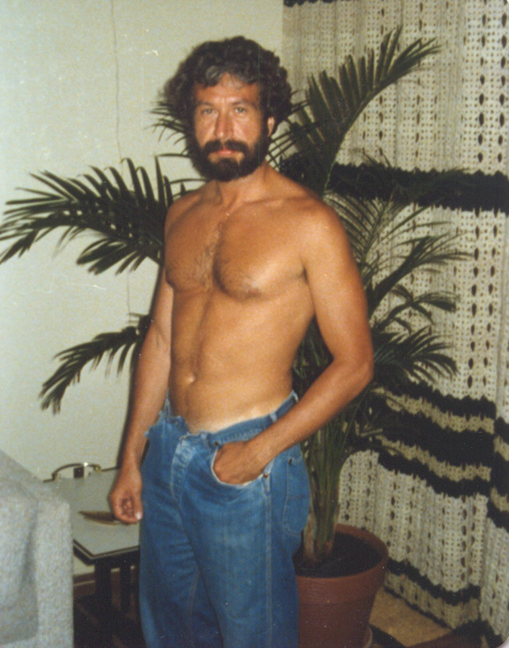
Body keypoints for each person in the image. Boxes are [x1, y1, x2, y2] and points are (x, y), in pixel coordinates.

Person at [110, 36, 373, 648]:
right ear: (191, 119)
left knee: (254, 636)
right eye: (208, 110)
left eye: (240, 110)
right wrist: (132, 458)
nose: (223, 129)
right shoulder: (182, 214)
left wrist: (260, 451)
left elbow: (356, 363)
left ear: (269, 119)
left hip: (247, 464)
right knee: (171, 630)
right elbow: (160, 340)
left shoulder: (308, 223)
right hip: (169, 451)